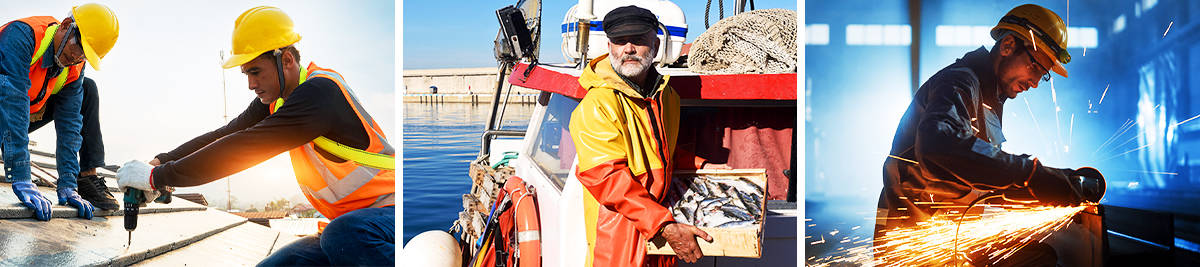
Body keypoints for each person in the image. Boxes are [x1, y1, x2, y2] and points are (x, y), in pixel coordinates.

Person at [114, 6, 394, 266]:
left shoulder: (320, 93)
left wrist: (157, 178)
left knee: (343, 237)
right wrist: (159, 162)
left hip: (390, 213)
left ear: (286, 60)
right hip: (353, 223)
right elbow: (225, 134)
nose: (250, 84)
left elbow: (242, 148)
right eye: (246, 73)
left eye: (256, 71)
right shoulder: (277, 101)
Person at [876, 4, 1099, 265]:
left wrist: (1052, 182)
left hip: (948, 239)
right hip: (917, 244)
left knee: (1039, 257)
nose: (1036, 82)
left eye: (1044, 75)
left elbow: (981, 171)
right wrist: (1030, 174)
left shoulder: (987, 97)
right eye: (1036, 67)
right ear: (1008, 46)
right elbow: (939, 144)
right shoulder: (959, 83)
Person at [569, 5, 728, 266]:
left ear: (655, 44)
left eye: (639, 40)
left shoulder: (667, 97)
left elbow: (661, 152)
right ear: (609, 46)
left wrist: (703, 166)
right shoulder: (595, 105)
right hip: (619, 238)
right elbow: (608, 179)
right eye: (620, 41)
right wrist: (664, 225)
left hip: (661, 227)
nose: (628, 49)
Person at [0, 3, 120, 221]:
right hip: (7, 108)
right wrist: (20, 174)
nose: (77, 58)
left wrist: (68, 182)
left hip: (20, 116)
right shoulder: (22, 36)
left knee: (87, 89)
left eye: (85, 56)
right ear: (66, 26)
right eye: (79, 48)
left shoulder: (75, 66)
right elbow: (13, 101)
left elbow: (70, 123)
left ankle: (86, 178)